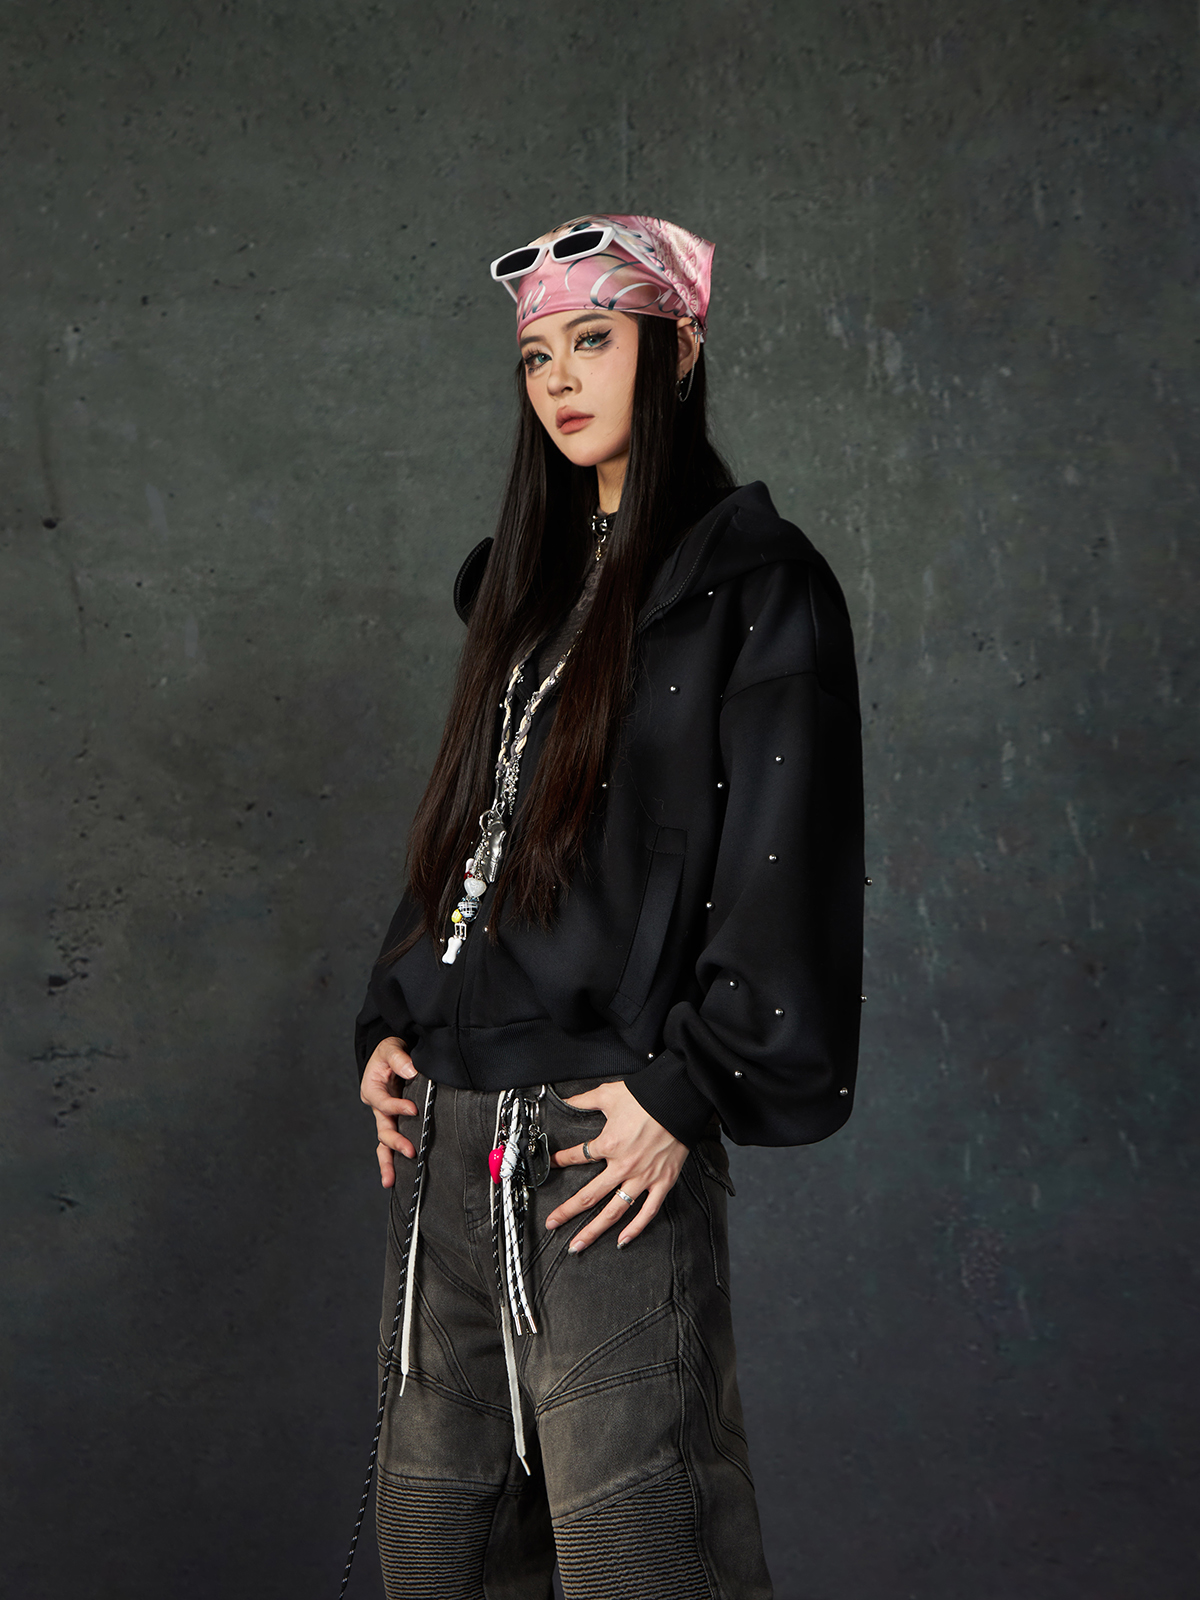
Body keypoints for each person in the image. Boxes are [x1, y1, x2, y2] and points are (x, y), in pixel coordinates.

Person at [352, 214, 864, 1600]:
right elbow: (475, 834)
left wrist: (685, 1086)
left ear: (677, 348)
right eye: (537, 357)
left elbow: (787, 857)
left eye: (594, 340)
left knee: (638, 1549)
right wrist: (395, 1017)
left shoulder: (756, 588)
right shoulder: (521, 592)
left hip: (601, 1150)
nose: (563, 380)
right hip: (450, 1149)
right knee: (437, 1558)